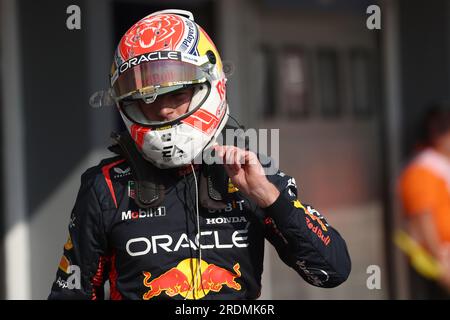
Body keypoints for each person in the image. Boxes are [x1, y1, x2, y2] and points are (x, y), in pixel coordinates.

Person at [48, 9, 351, 300]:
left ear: (212, 87)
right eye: (147, 100)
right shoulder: (105, 187)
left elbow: (331, 270)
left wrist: (269, 198)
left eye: (177, 95)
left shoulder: (249, 171)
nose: (164, 109)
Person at [398, 102, 450, 299]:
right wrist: (441, 263)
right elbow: (423, 218)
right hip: (433, 264)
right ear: (440, 136)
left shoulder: (440, 167)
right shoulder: (422, 170)